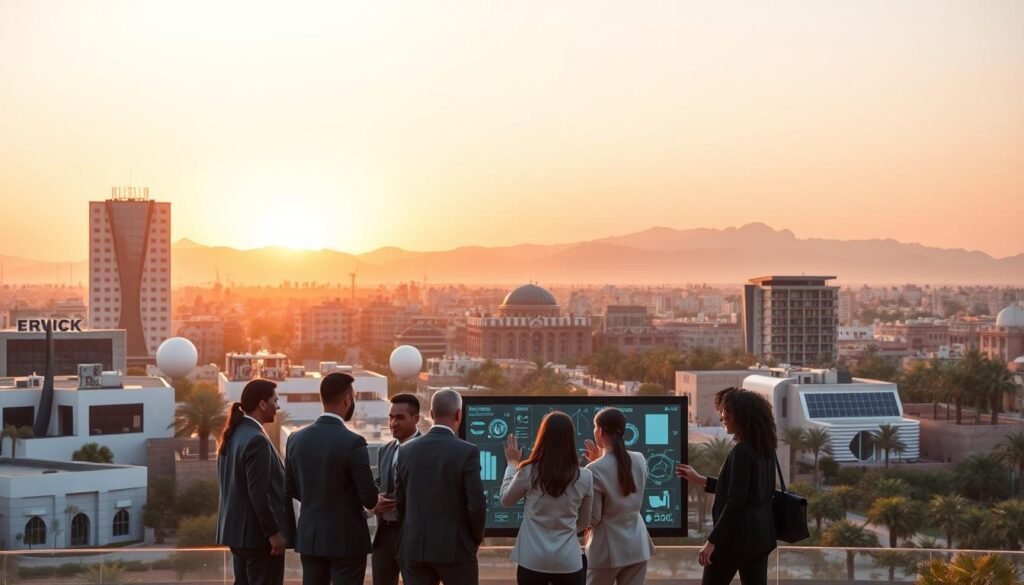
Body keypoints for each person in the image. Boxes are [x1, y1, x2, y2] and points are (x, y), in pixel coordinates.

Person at [675, 388, 777, 585]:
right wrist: (700, 479)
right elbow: (744, 491)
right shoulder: (766, 450)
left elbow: (735, 501)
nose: (722, 418)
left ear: (742, 415)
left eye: (726, 412)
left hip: (734, 540)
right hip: (761, 538)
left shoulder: (742, 451)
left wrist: (712, 541)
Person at [285, 372, 379, 585]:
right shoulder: (354, 442)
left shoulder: (295, 439)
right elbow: (369, 498)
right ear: (347, 399)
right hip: (347, 541)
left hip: (310, 538)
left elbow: (290, 488)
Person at [395, 388, 486, 585]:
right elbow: (476, 504)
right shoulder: (467, 451)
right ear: (459, 414)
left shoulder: (405, 451)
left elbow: (400, 502)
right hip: (455, 549)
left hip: (413, 547)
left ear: (432, 414)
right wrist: (475, 539)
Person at [216, 378, 296, 585]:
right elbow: (258, 493)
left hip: (238, 536)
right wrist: (273, 533)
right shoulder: (256, 440)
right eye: (275, 400)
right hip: (259, 539)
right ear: (262, 404)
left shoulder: (234, 435)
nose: (277, 406)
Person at [501, 411, 593, 585]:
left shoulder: (529, 471)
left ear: (542, 437)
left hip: (532, 561)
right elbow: (584, 522)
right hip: (569, 562)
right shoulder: (585, 476)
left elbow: (506, 500)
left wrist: (512, 464)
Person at [582, 407, 654, 585]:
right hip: (638, 546)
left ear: (600, 431)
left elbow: (594, 518)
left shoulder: (594, 470)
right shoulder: (639, 459)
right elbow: (619, 475)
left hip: (607, 550)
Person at [371, 393, 423, 585]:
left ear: (415, 419)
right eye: (391, 417)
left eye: (400, 417)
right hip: (385, 537)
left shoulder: (427, 450)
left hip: (414, 535)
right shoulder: (385, 450)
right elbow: (379, 484)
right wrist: (375, 502)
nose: (393, 422)